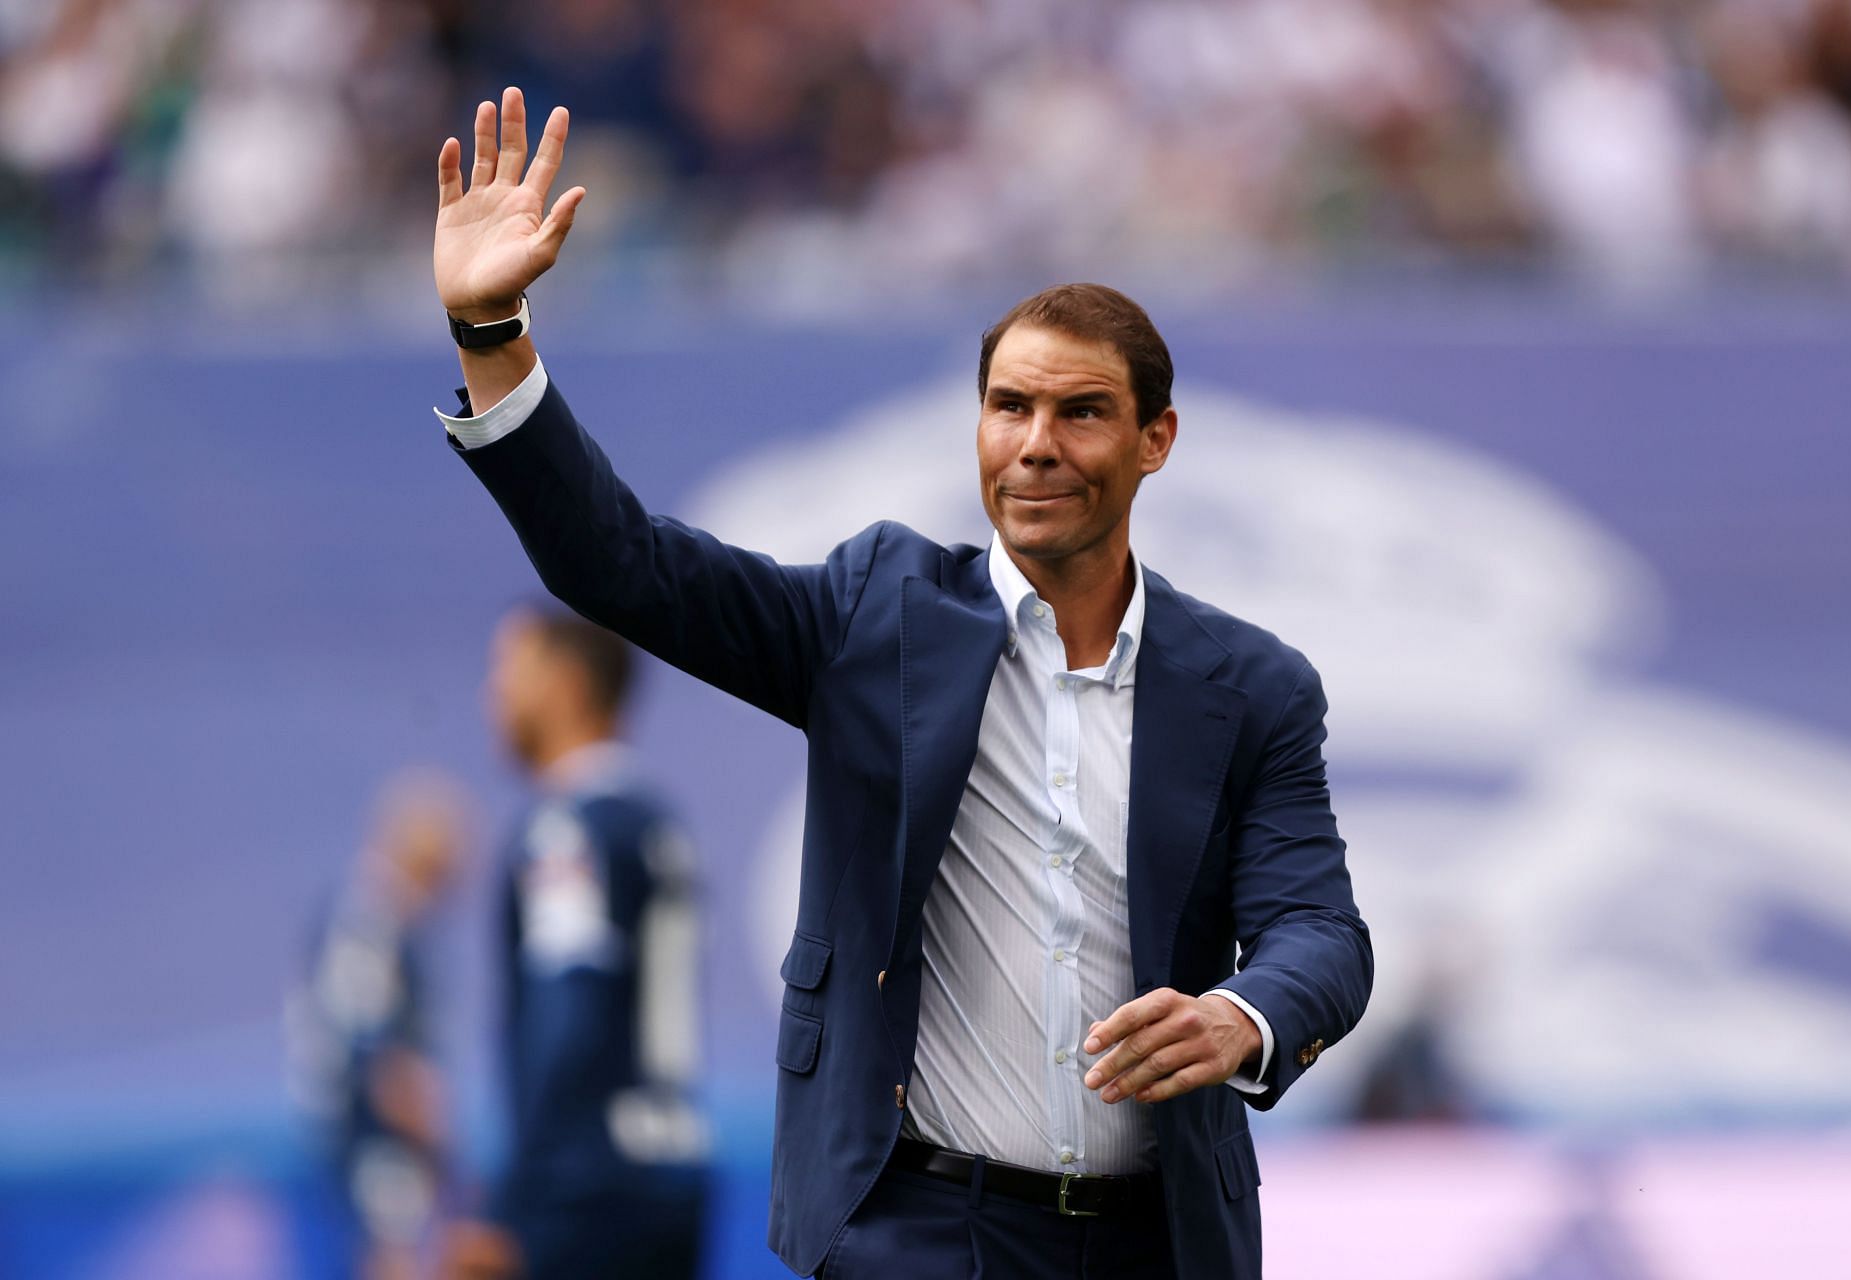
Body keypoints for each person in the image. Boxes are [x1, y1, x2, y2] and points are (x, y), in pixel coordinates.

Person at [429, 87, 1372, 1279]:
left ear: (1157, 439)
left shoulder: (1251, 686)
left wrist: (1240, 1013)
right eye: (1008, 406)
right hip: (919, 1227)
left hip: (1158, 1237)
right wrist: (492, 329)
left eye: (1082, 412)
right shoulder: (878, 614)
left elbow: (1321, 929)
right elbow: (620, 561)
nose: (1036, 443)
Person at [444, 605, 709, 1280]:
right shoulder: (654, 821)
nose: (492, 693)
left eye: (508, 669)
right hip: (670, 1170)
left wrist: (510, 1204)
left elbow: (572, 1015)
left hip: (585, 1190)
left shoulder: (568, 830)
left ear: (564, 683)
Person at [288, 772, 471, 1280]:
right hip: (374, 1147)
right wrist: (442, 1149)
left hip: (358, 1142)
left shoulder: (364, 917)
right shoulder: (374, 921)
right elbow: (380, 1061)